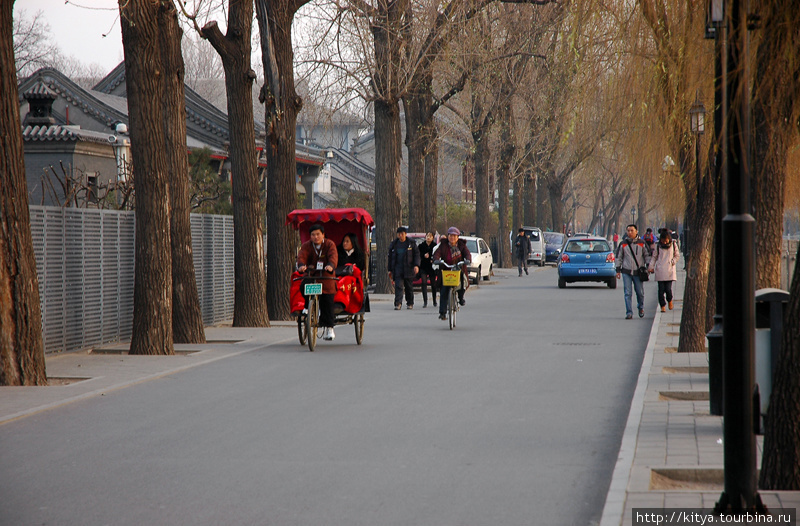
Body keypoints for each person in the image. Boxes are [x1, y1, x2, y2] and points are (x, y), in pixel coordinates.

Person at [297, 224, 338, 340]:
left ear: (323, 234)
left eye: (318, 234)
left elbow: (333, 257)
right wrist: (301, 266)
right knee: (303, 285)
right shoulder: (307, 246)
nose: (316, 237)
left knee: (328, 298)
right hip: (312, 274)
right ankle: (307, 306)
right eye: (313, 235)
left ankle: (329, 328)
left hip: (326, 276)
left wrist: (330, 266)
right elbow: (301, 256)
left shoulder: (330, 244)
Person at [433, 227, 471, 321]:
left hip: (459, 269)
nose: (452, 238)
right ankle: (442, 313)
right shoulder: (443, 245)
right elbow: (437, 254)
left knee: (462, 283)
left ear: (457, 237)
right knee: (444, 290)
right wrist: (436, 260)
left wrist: (467, 260)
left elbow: (467, 254)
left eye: (454, 236)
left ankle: (461, 298)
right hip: (447, 270)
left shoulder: (462, 245)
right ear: (448, 236)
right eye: (450, 236)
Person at [615, 224, 652, 319]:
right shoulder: (623, 244)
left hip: (638, 272)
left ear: (636, 231)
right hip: (626, 271)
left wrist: (649, 267)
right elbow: (619, 257)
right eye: (628, 231)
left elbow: (647, 256)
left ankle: (641, 307)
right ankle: (629, 312)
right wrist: (618, 270)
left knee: (640, 292)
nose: (630, 232)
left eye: (632, 230)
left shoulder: (642, 243)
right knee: (627, 292)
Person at [387, 226, 420, 310]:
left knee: (409, 286)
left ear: (405, 234)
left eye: (402, 234)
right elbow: (390, 257)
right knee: (398, 286)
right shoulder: (394, 244)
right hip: (398, 268)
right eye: (399, 234)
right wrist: (390, 269)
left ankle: (410, 302)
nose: (400, 235)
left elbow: (416, 255)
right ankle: (398, 303)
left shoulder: (411, 243)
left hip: (408, 268)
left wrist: (416, 265)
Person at [648, 230, 680, 312]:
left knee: (668, 289)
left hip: (669, 269)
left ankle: (670, 300)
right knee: (661, 290)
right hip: (660, 269)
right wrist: (651, 267)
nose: (665, 242)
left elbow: (677, 255)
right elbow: (654, 257)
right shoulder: (658, 246)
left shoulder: (673, 244)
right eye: (663, 241)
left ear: (669, 239)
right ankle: (662, 305)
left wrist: (673, 261)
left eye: (666, 240)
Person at [417, 231, 438, 308]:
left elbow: (437, 255)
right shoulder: (421, 246)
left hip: (432, 267)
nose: (428, 237)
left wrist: (433, 259)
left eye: (430, 236)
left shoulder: (435, 246)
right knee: (424, 283)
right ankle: (425, 301)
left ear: (433, 238)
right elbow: (418, 255)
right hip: (423, 266)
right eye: (427, 236)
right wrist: (423, 256)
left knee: (433, 284)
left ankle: (434, 300)